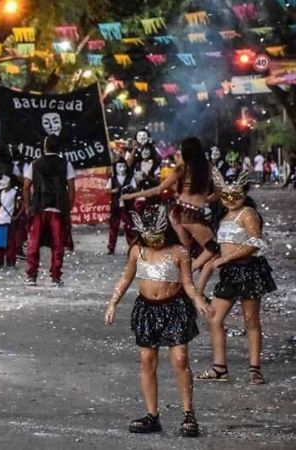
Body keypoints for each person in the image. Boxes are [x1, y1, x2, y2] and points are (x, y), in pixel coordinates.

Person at [104, 205, 213, 437]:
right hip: (146, 309)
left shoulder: (179, 252)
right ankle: (152, 415)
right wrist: (113, 302)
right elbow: (126, 278)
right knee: (146, 361)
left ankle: (188, 414)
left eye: (159, 237)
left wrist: (199, 300)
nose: (155, 242)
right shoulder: (137, 251)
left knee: (180, 358)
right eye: (149, 238)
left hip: (174, 308)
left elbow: (188, 284)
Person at [195, 170, 276, 384]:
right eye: (225, 196)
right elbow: (214, 248)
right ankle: (220, 368)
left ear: (244, 193)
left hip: (249, 270)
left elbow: (256, 243)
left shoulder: (248, 213)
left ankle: (255, 369)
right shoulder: (222, 216)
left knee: (251, 320)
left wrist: (226, 258)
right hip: (230, 274)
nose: (230, 200)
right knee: (214, 318)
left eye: (235, 195)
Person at [123, 137, 218, 271]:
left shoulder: (182, 168)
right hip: (193, 214)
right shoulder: (208, 168)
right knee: (213, 248)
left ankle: (186, 282)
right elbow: (219, 190)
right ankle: (190, 272)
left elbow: (159, 189)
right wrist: (207, 199)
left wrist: (132, 195)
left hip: (177, 212)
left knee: (185, 251)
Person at [23, 136, 76, 286]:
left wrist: (28, 206)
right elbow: (71, 188)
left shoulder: (35, 164)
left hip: (38, 207)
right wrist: (68, 207)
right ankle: (55, 277)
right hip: (58, 209)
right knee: (57, 244)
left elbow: (26, 186)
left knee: (34, 243)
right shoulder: (66, 164)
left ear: (44, 147)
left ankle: (32, 276)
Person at [106, 158, 136, 255]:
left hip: (127, 205)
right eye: (119, 166)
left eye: (123, 166)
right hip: (116, 205)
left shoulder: (130, 178)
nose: (122, 168)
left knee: (129, 226)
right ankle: (111, 247)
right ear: (116, 168)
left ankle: (132, 246)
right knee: (114, 226)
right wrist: (112, 191)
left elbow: (135, 188)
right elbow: (106, 190)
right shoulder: (113, 179)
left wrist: (130, 190)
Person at [0, 175, 21, 268]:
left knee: (10, 243)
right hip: (0, 220)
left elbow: (22, 205)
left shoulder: (15, 193)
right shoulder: (0, 193)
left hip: (9, 221)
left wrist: (17, 216)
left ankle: (10, 261)